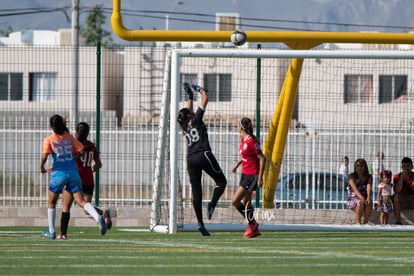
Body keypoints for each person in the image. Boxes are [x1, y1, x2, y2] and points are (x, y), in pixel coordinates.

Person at [40, 114, 107, 239]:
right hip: (75, 174)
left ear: (51, 126)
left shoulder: (49, 139)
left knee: (53, 203)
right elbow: (83, 151)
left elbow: (44, 156)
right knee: (82, 202)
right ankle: (98, 217)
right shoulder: (72, 139)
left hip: (59, 174)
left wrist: (42, 167)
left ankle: (53, 232)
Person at [177, 83, 227, 236]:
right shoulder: (196, 119)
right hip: (203, 153)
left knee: (196, 194)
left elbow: (188, 112)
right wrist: (200, 90)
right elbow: (205, 98)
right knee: (221, 182)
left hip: (190, 159)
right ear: (191, 115)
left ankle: (200, 223)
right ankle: (212, 204)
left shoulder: (184, 126)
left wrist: (190, 97)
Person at [57, 122, 111, 240]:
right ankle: (102, 214)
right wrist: (90, 170)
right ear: (88, 132)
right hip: (88, 180)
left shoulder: (75, 145)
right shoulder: (92, 146)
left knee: (66, 206)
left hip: (75, 178)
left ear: (76, 130)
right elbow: (98, 164)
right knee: (86, 208)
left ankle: (63, 234)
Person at [231, 117, 266, 238]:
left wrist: (260, 178)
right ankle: (253, 228)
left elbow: (262, 158)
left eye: (237, 125)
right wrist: (237, 164)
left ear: (241, 127)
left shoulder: (251, 141)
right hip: (244, 174)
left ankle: (252, 224)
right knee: (246, 203)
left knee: (235, 201)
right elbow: (246, 155)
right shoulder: (243, 139)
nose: (236, 127)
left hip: (252, 175)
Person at [347, 158, 373, 224]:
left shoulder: (369, 177)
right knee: (360, 202)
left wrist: (368, 197)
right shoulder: (351, 176)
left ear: (365, 167)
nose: (359, 168)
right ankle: (358, 222)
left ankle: (365, 222)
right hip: (354, 199)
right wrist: (362, 198)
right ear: (355, 167)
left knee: (370, 203)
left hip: (365, 198)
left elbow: (369, 187)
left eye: (361, 166)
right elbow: (355, 190)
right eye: (357, 166)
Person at [392, 157, 414, 225]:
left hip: (412, 200)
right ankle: (398, 221)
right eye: (404, 166)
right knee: (395, 196)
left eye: (408, 166)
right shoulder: (397, 176)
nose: (406, 168)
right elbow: (397, 190)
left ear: (412, 166)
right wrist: (401, 177)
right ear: (402, 167)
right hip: (403, 201)